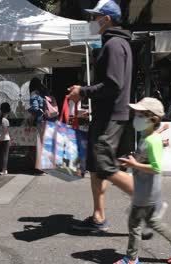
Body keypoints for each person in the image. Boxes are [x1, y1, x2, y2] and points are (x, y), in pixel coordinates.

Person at [67, 0, 134, 232]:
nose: (92, 21)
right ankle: (98, 217)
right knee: (96, 167)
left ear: (106, 19)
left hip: (111, 116)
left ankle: (150, 202)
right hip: (109, 114)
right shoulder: (115, 43)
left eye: (95, 17)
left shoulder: (114, 45)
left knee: (105, 166)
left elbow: (112, 85)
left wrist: (82, 92)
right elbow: (111, 85)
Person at [115, 97, 171, 264]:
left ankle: (131, 258)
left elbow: (156, 168)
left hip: (145, 191)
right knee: (153, 222)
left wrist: (134, 164)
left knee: (134, 223)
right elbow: (151, 144)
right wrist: (161, 132)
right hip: (147, 190)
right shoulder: (148, 136)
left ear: (153, 119)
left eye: (140, 115)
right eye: (135, 114)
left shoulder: (151, 141)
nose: (136, 117)